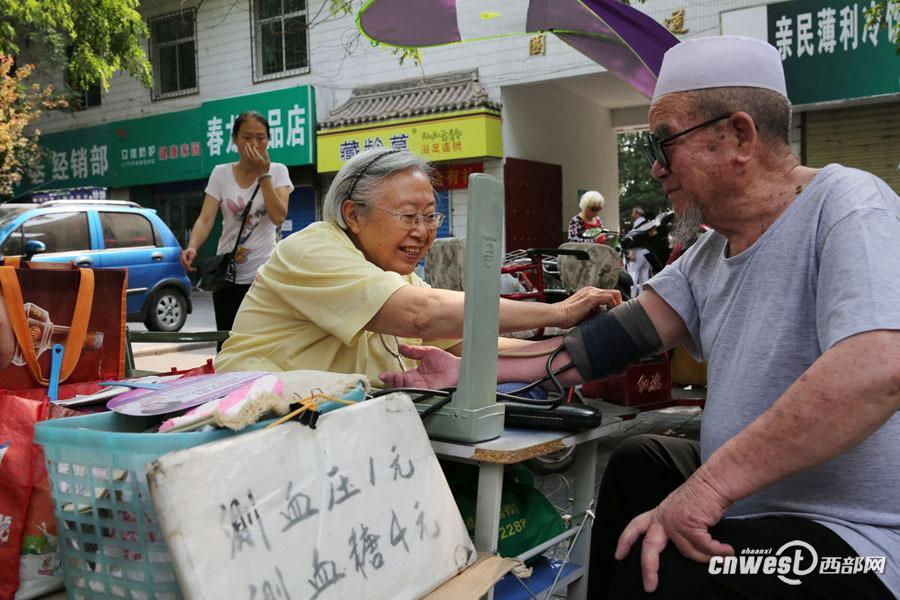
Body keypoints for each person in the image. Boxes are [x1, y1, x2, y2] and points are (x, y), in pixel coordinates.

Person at [382, 36, 900, 599]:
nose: (655, 169)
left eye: (663, 144)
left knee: (665, 573)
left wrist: (705, 490)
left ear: (739, 136)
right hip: (753, 506)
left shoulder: (848, 204)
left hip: (849, 537)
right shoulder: (707, 256)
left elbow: (876, 368)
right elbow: (607, 343)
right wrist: (474, 372)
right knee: (639, 462)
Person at [215, 148, 621, 385]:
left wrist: (571, 348)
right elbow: (421, 316)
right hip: (255, 427)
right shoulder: (311, 250)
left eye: (431, 217)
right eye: (409, 216)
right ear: (353, 214)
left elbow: (470, 346)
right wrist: (558, 312)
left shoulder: (396, 274)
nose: (423, 232)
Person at [179, 111, 294, 335]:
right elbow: (205, 218)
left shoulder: (278, 171)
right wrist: (192, 246)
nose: (253, 144)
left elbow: (279, 216)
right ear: (234, 139)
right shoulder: (221, 173)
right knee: (228, 340)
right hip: (227, 276)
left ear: (268, 141)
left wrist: (264, 175)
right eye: (246, 137)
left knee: (263, 342)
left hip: (264, 276)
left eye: (260, 138)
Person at [625, 206, 651, 297]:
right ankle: (645, 298)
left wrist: (632, 253)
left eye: (633, 213)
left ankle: (631, 298)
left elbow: (635, 238)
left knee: (633, 275)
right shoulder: (648, 223)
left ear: (637, 213)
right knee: (644, 277)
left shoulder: (638, 224)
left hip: (638, 252)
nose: (631, 215)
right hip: (647, 253)